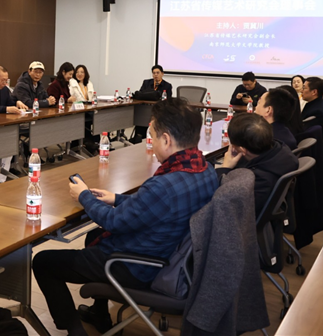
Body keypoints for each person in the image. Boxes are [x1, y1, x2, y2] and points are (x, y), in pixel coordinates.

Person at [32, 98, 219, 336]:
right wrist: (116, 198)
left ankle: (75, 331)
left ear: (166, 140)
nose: (150, 141)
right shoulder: (205, 170)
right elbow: (159, 206)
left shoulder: (163, 185)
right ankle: (99, 314)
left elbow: (114, 221)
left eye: (152, 135)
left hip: (139, 266)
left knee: (44, 261)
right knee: (94, 236)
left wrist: (84, 196)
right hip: (171, 253)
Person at [216, 113, 298, 216]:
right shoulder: (281, 151)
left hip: (243, 218)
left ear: (242, 150)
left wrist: (224, 168)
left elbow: (224, 201)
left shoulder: (258, 179)